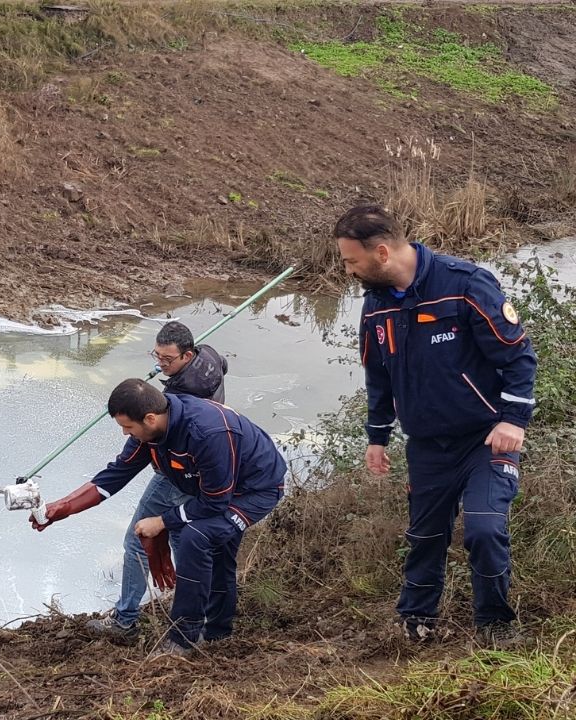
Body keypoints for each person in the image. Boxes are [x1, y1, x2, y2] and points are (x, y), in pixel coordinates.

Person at [333, 205, 537, 648]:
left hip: (485, 437)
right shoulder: (375, 306)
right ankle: (416, 620)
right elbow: (378, 376)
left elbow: (519, 357)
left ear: (382, 252)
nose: (347, 271)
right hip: (426, 445)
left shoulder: (464, 285)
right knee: (424, 536)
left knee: (484, 529)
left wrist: (514, 421)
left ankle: (495, 626)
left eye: (351, 261)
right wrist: (377, 437)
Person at [32, 378, 285, 653]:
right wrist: (62, 508)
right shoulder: (151, 433)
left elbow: (215, 502)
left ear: (149, 419)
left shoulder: (206, 432)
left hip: (253, 490)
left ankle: (184, 638)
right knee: (211, 547)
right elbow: (117, 474)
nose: (124, 434)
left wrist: (164, 522)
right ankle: (217, 632)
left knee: (197, 538)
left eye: (127, 427)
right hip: (200, 484)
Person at [57, 321, 230, 642]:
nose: (160, 364)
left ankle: (125, 621)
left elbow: (133, 455)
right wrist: (168, 372)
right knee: (182, 539)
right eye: (157, 357)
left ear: (187, 355)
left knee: (137, 541)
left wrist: (146, 397)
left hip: (176, 474)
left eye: (167, 359)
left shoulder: (180, 398)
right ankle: (189, 606)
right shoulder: (210, 357)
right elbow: (220, 364)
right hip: (197, 467)